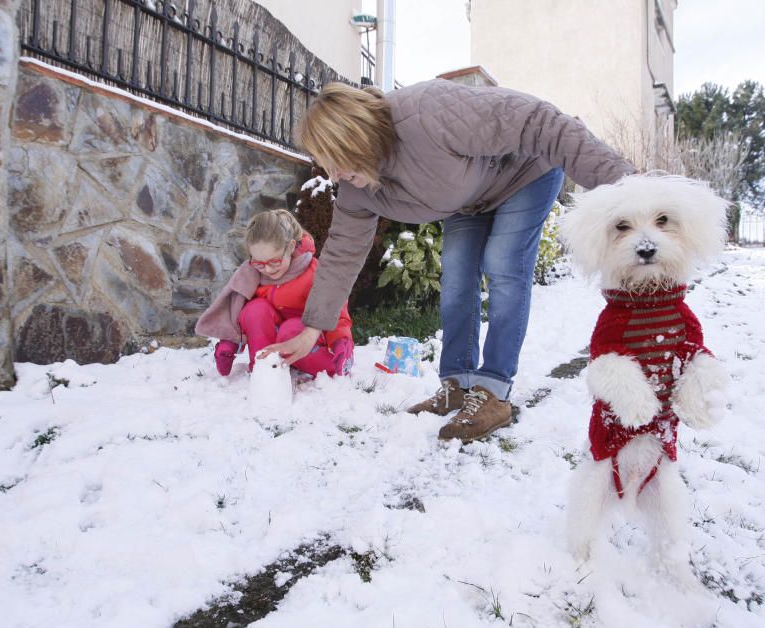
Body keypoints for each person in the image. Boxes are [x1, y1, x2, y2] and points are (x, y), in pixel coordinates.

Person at [261, 79, 637, 443]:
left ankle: (493, 392)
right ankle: (458, 385)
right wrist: (312, 329)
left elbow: (539, 122)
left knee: (504, 265)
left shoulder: (428, 113)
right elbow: (342, 251)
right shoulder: (358, 188)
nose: (333, 175)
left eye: (336, 161)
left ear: (355, 138)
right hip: (470, 199)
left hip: (525, 176)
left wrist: (629, 189)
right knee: (456, 280)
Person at [194, 209, 355, 378]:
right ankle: (262, 369)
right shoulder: (251, 274)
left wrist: (341, 342)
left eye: (274, 261)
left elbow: (333, 311)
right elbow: (237, 311)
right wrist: (229, 344)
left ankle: (331, 365)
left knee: (290, 329)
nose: (268, 270)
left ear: (291, 247)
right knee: (254, 309)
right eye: (260, 263)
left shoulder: (313, 272)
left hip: (308, 341)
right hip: (272, 342)